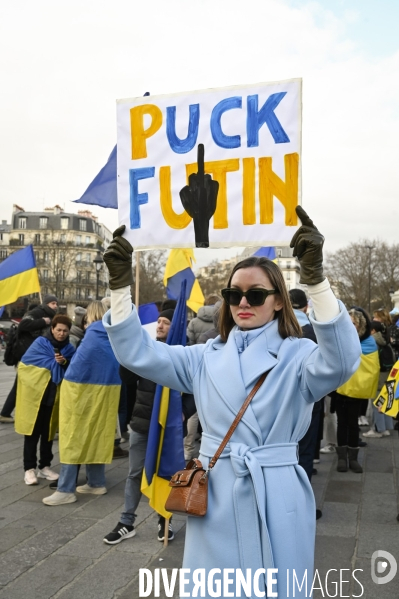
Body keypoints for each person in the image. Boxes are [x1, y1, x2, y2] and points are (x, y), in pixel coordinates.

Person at [101, 207, 360, 597]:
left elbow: (342, 361)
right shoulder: (204, 356)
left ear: (278, 302)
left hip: (276, 490)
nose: (243, 302)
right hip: (216, 490)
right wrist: (120, 287)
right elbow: (137, 354)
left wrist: (318, 282)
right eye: (233, 293)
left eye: (255, 294)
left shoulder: (299, 355)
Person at [103, 308, 196, 545]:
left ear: (175, 327)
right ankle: (127, 522)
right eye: (159, 322)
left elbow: (196, 390)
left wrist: (184, 412)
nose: (161, 325)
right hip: (142, 424)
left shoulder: (185, 353)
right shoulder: (147, 349)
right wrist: (127, 351)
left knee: (166, 474)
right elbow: (127, 378)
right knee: (135, 473)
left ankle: (164, 521)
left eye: (166, 322)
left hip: (171, 428)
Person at [42, 301, 121, 505]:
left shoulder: (93, 335)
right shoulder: (112, 336)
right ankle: (96, 482)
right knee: (97, 433)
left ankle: (66, 489)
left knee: (72, 437)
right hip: (107, 392)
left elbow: (76, 369)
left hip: (82, 394)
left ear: (90, 316)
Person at [15, 314, 74, 485]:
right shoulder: (40, 344)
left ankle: (45, 466)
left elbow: (73, 370)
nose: (61, 334)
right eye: (58, 330)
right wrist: (50, 365)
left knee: (48, 433)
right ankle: (29, 469)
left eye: (65, 331)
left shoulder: (69, 349)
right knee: (32, 433)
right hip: (35, 396)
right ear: (52, 329)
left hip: (54, 397)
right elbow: (26, 366)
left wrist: (63, 363)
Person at [289, 288, 323, 520]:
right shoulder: (314, 332)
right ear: (305, 307)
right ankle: (303, 505)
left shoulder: (277, 329)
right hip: (309, 399)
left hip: (279, 402)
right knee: (306, 451)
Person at [334, 307, 380, 473]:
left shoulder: (369, 342)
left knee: (353, 424)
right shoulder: (340, 339)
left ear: (361, 324)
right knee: (341, 423)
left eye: (353, 323)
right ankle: (341, 457)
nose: (350, 325)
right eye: (348, 322)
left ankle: (353, 458)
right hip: (339, 390)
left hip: (357, 391)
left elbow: (372, 367)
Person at [0, 296, 58, 423]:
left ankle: (6, 412)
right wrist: (43, 321)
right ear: (46, 303)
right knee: (21, 385)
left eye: (56, 303)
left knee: (21, 385)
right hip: (27, 356)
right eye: (53, 303)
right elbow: (23, 325)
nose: (55, 306)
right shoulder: (38, 312)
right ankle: (6, 413)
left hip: (36, 356)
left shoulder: (49, 314)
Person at [362, 320, 395, 438]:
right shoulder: (386, 341)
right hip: (388, 376)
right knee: (385, 401)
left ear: (373, 331)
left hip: (378, 376)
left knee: (377, 403)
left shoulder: (373, 342)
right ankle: (386, 427)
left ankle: (377, 429)